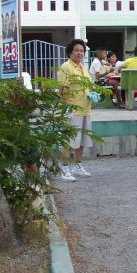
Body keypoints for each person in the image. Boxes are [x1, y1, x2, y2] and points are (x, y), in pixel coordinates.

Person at [57, 39, 94, 181]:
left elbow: (88, 86)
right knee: (68, 141)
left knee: (82, 141)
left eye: (82, 51)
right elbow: (63, 89)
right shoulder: (66, 67)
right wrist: (67, 108)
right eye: (77, 50)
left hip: (85, 109)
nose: (80, 53)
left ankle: (78, 166)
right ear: (70, 52)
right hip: (72, 109)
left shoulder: (83, 68)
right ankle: (64, 169)